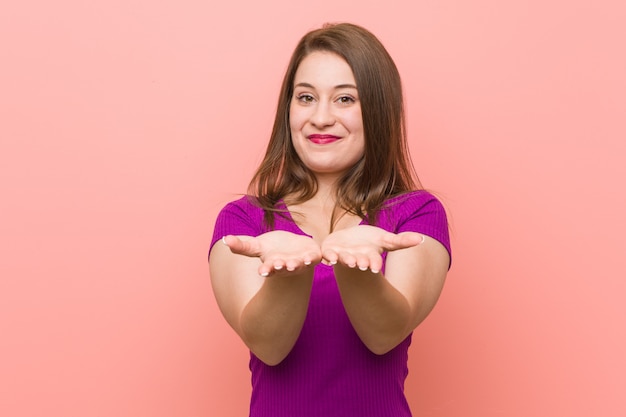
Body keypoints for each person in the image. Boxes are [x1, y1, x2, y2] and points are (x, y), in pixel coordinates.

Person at [208, 23, 451, 417]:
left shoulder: (416, 215)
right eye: (306, 97)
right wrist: (290, 273)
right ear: (289, 109)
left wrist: (356, 266)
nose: (320, 117)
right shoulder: (243, 222)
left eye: (344, 99)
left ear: (377, 109)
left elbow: (383, 335)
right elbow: (269, 347)